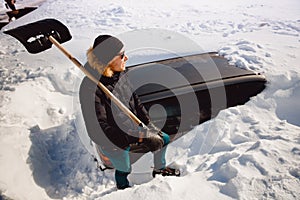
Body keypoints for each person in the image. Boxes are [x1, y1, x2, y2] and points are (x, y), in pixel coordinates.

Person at [79, 35, 178, 190]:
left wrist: (148, 123)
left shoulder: (120, 73)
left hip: (132, 126)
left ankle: (160, 169)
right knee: (124, 168)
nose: (127, 58)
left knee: (163, 139)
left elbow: (134, 99)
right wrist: (138, 137)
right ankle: (123, 188)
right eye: (122, 55)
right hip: (114, 141)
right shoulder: (91, 88)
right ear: (109, 60)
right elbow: (97, 129)